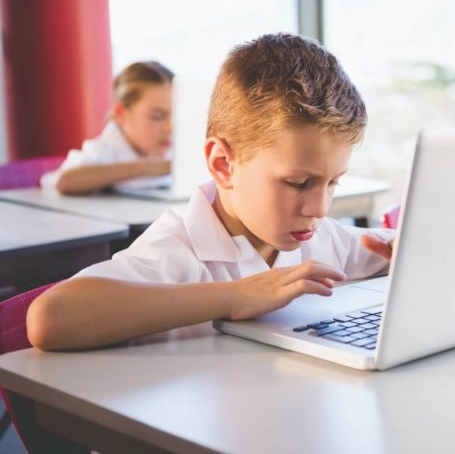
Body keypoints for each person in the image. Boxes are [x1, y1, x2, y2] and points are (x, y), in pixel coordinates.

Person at [28, 34, 394, 350]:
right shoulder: (177, 253)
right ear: (222, 164)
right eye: (297, 183)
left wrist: (410, 253)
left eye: (333, 182)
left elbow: (392, 248)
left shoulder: (322, 238)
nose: (318, 208)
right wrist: (236, 295)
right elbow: (51, 317)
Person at [41, 61, 175, 194]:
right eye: (157, 116)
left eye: (176, 116)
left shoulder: (174, 148)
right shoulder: (104, 150)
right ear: (121, 114)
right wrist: (153, 167)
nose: (169, 128)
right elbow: (65, 181)